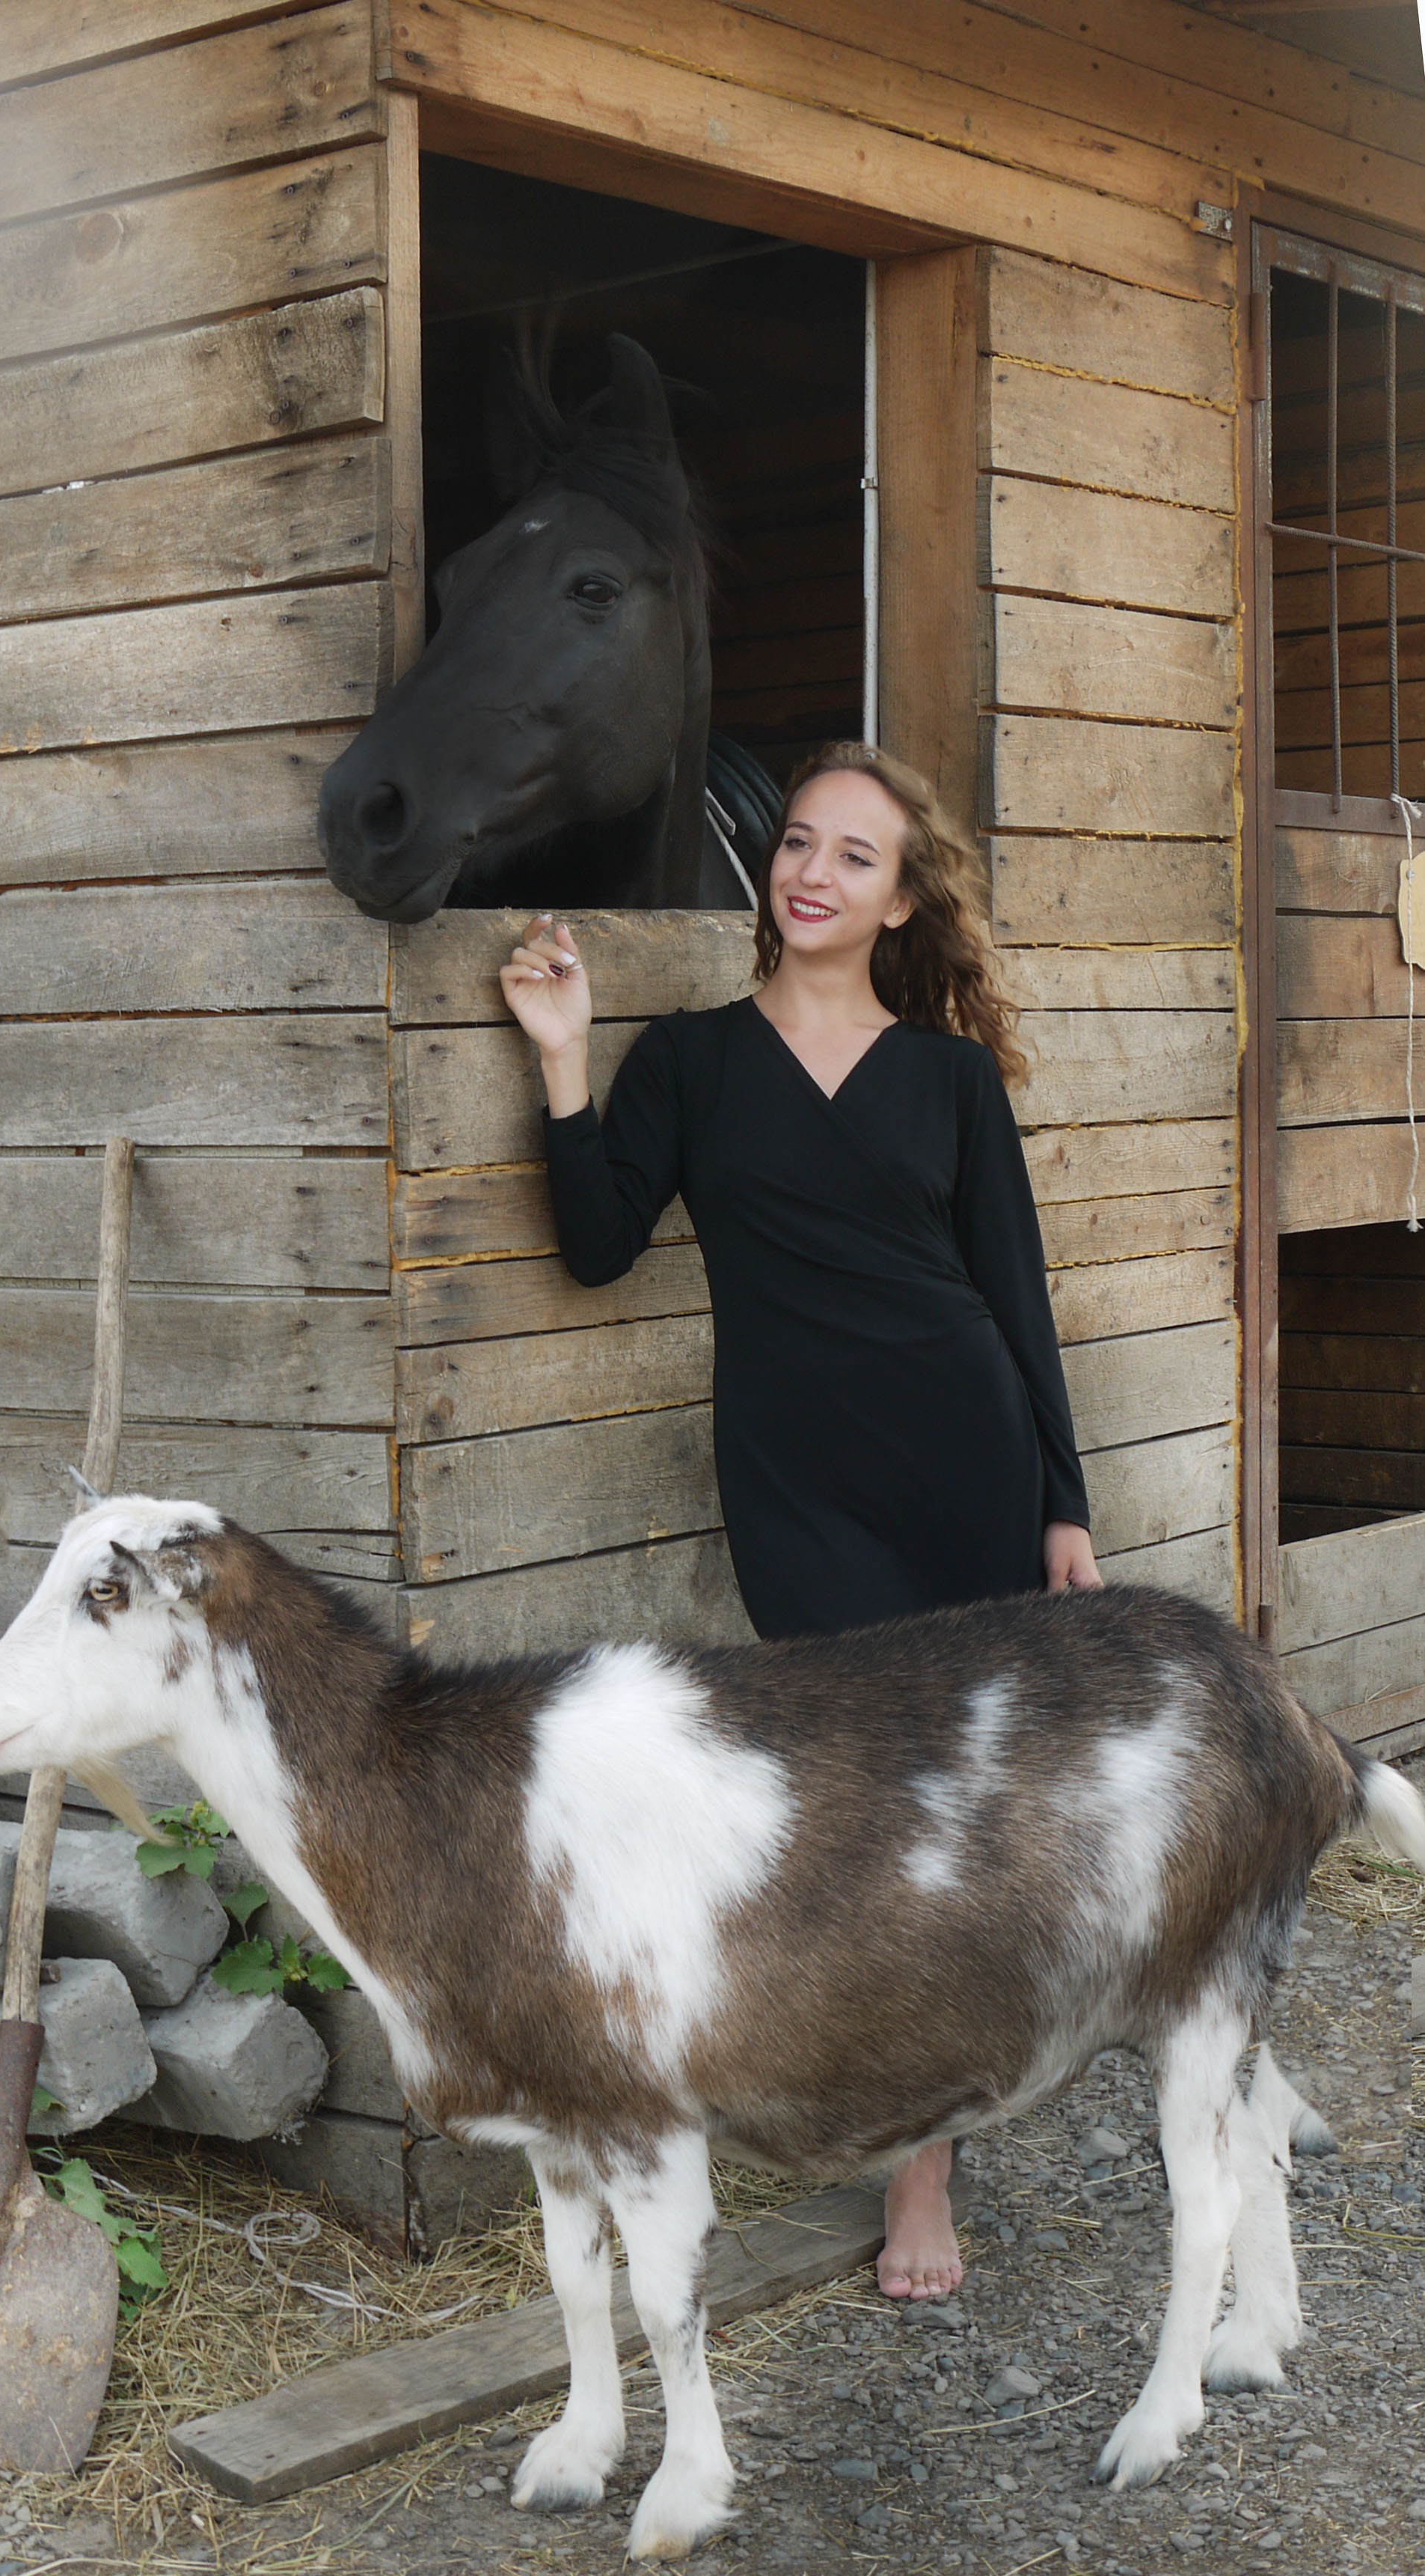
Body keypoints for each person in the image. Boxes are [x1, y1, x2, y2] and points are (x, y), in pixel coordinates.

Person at [498, 738, 1102, 2303]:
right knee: (853, 1812)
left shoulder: (949, 1080)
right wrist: (562, 1060)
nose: (812, 873)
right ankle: (830, 2092)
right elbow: (595, 1245)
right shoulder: (691, 1061)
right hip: (797, 1487)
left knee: (939, 1816)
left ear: (901, 903)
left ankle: (922, 2166)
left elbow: (1015, 1297)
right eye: (798, 845)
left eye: (852, 856)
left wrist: (1063, 1508)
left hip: (962, 1461)